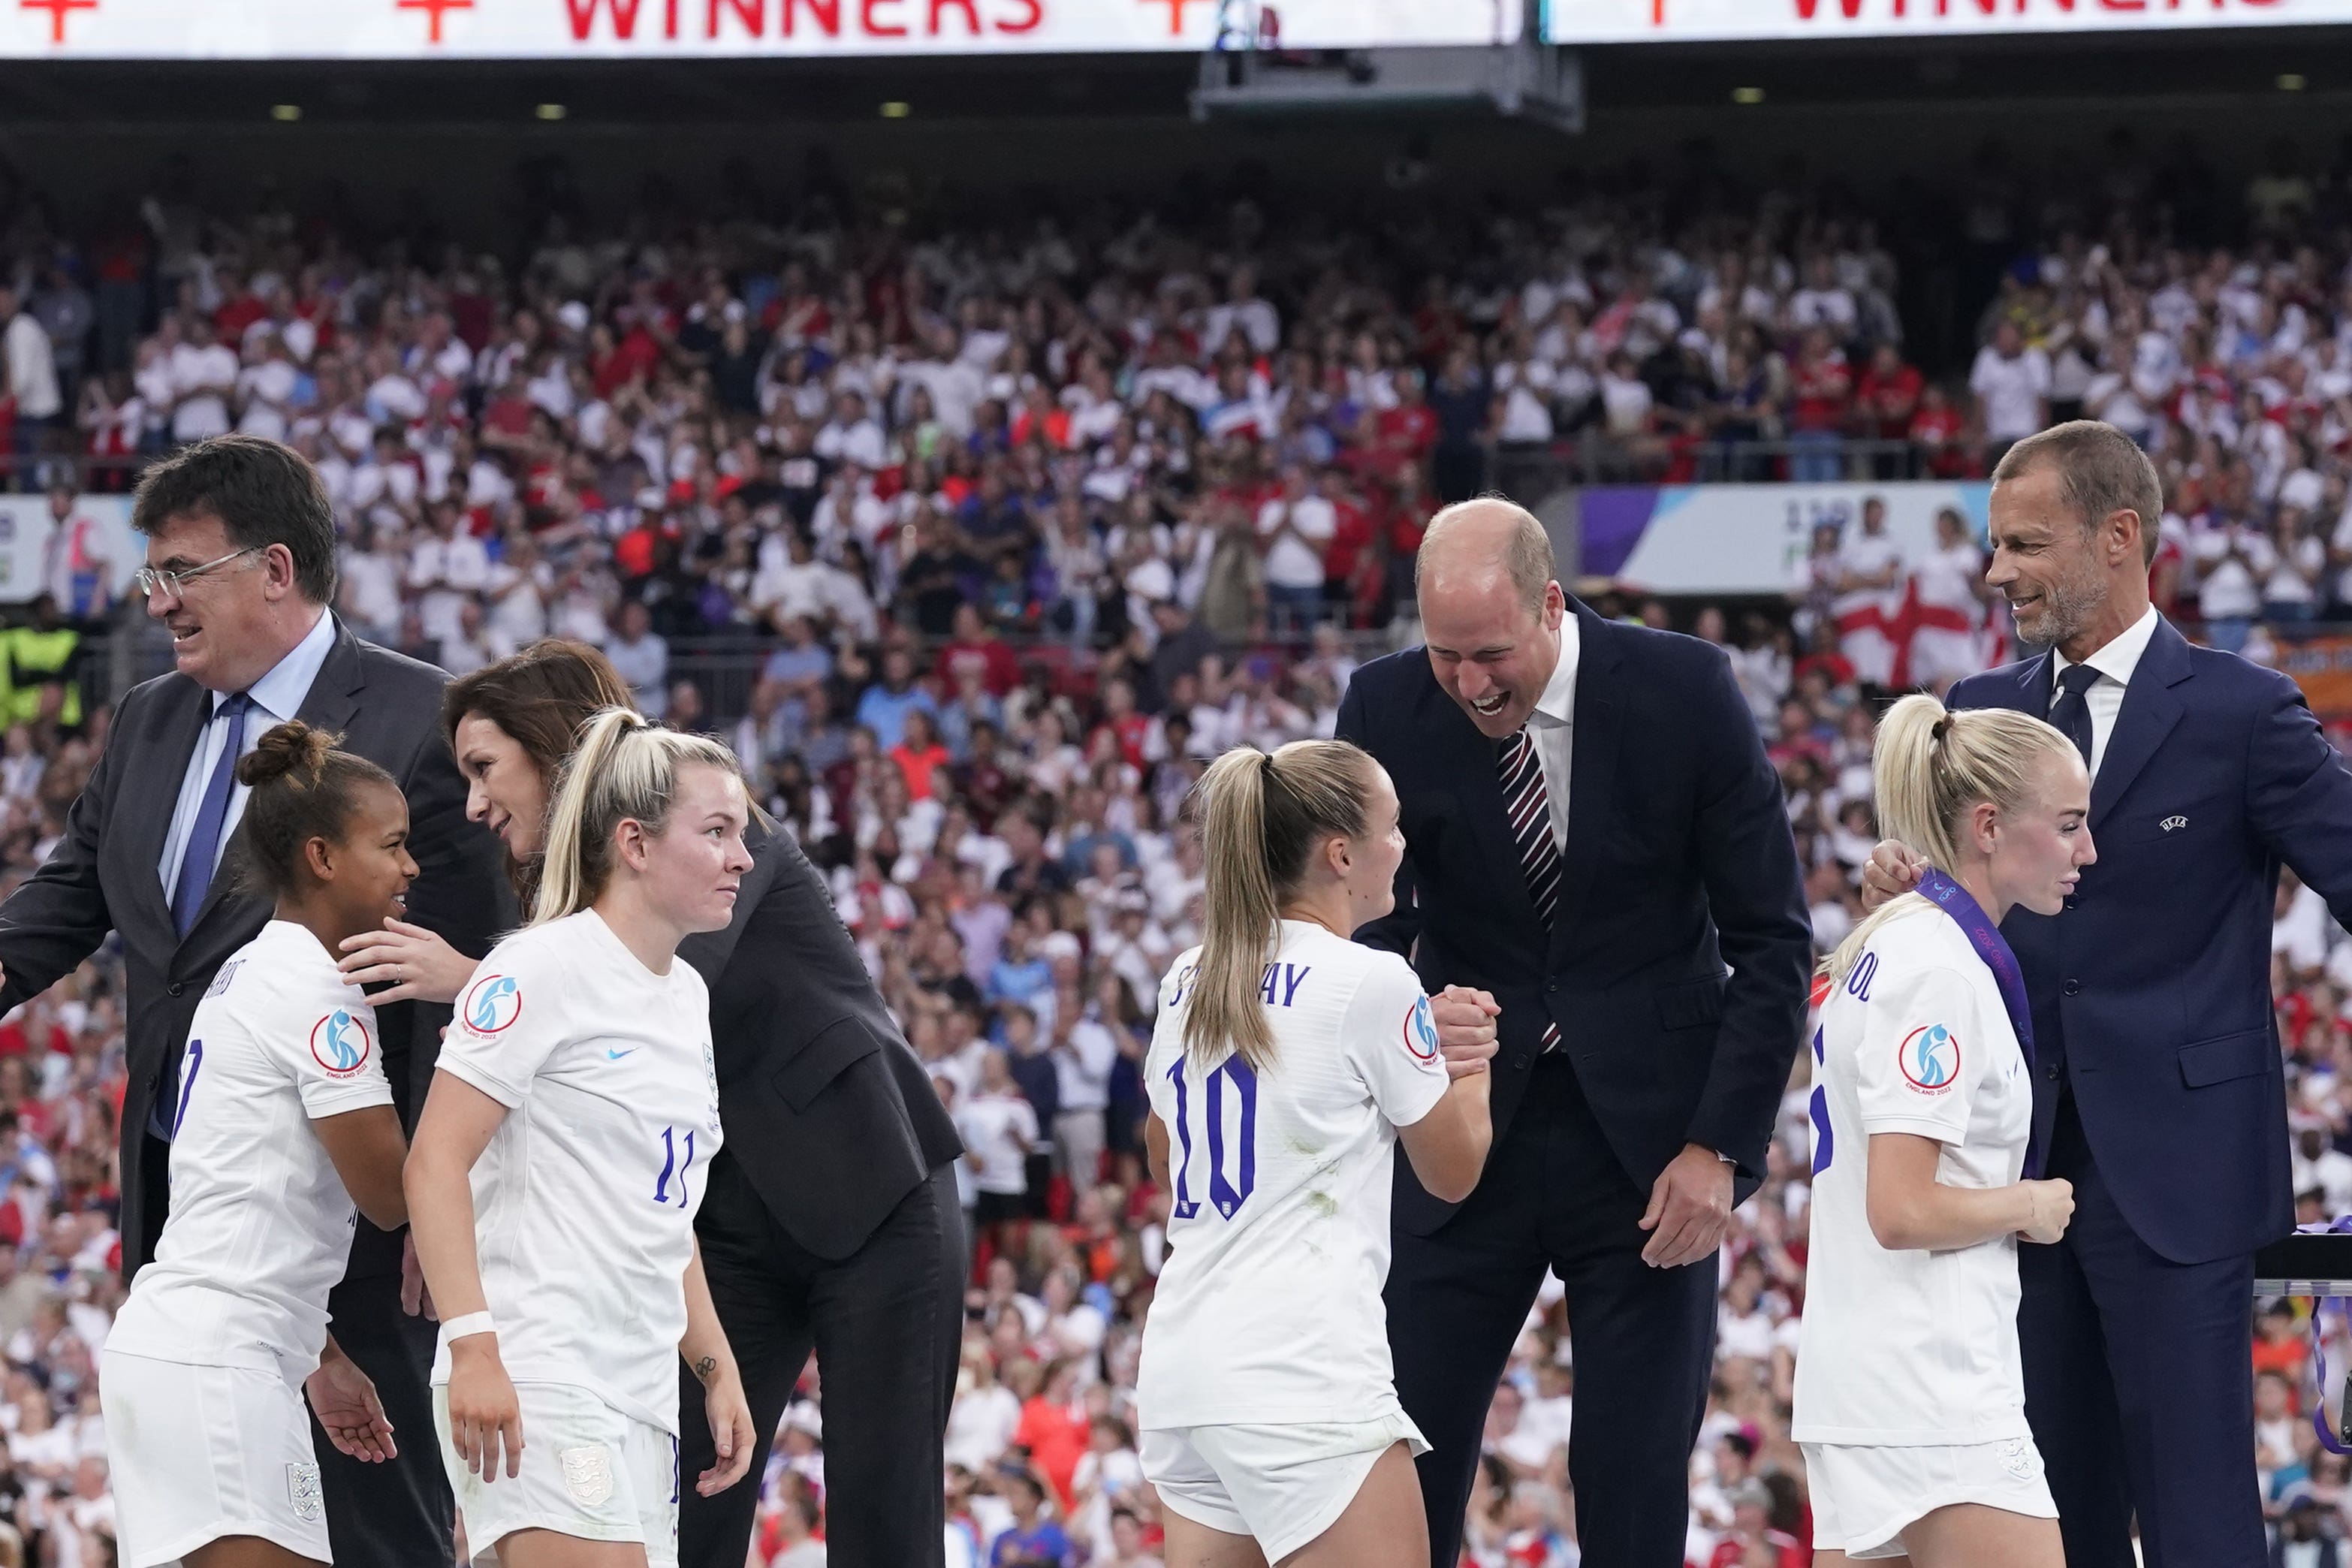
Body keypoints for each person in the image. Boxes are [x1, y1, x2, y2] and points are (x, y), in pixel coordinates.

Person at [340, 639, 966, 1568]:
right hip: (712, 1234)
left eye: (485, 767)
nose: (473, 803)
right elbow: (552, 1058)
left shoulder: (695, 826)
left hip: (870, 1191)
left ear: (556, 756)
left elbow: (632, 989)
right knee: (692, 1502)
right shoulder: (559, 932)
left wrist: (467, 980)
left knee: (884, 1519)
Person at [0, 433, 508, 1565]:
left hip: (357, 1234)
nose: (156, 599)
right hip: (186, 1219)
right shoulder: (147, 720)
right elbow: (68, 898)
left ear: (274, 570)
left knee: (380, 1533)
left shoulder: (423, 719)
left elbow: (464, 967)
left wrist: (442, 1196)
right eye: (153, 574)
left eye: (180, 571)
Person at [1863, 419, 2352, 1568]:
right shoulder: (1979, 709)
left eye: (2025, 544)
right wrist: (1908, 882)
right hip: (2007, 1182)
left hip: (2180, 1183)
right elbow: (1959, 910)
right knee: (2040, 1513)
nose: (1998, 573)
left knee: (2197, 1520)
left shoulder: (2244, 711)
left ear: (2119, 537)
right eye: (1996, 545)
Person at [1335, 497, 1811, 1567]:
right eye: (1445, 656)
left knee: (1634, 1481)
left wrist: (1723, 1149)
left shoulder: (1684, 691)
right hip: (1460, 1138)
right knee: (1401, 1460)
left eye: (1492, 653)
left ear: (1552, 604)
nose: (1469, 683)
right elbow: (1361, 940)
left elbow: (1774, 941)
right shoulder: (1383, 707)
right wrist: (1415, 1013)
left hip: (1654, 1155)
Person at [405, 708, 759, 1568]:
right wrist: (475, 1346)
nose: (742, 858)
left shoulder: (686, 998)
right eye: (716, 832)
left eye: (741, 834)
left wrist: (716, 1369)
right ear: (634, 844)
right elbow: (434, 1163)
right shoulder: (540, 967)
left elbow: (661, 1213)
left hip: (636, 1391)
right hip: (540, 1366)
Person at [1138, 740, 1493, 1568]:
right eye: (1393, 828)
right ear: (1341, 855)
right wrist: (1470, 1064)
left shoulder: (1190, 976)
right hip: (1304, 1371)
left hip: (1186, 1374)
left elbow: (1167, 1160)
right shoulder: (1370, 980)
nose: (1402, 847)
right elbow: (1452, 1172)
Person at [102, 722, 417, 1568]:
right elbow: (392, 1194)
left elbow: (244, 1193)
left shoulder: (255, 968)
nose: (410, 867)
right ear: (321, 856)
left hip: (210, 1349)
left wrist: (320, 1350)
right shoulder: (319, 994)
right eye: (391, 845)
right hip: (218, 1365)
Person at [1798, 694, 2091, 1566]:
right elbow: (1903, 1207)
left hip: (1864, 1375)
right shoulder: (1939, 969)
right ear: (1991, 826)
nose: (2088, 850)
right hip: (1933, 1385)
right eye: (2070, 824)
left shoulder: (1891, 941)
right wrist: (2027, 1204)